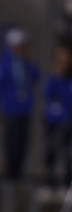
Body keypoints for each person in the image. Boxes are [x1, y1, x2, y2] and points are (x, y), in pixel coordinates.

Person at [0, 27, 40, 179]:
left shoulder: (27, 62)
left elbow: (36, 76)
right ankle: (10, 171)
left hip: (25, 108)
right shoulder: (4, 62)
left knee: (23, 140)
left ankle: (19, 170)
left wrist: (30, 62)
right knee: (12, 140)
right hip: (11, 108)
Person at [42, 42, 72, 189]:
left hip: (67, 120)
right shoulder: (52, 77)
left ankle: (67, 180)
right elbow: (47, 94)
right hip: (52, 120)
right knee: (51, 149)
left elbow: (68, 98)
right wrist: (56, 78)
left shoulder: (68, 79)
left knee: (67, 152)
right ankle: (50, 179)